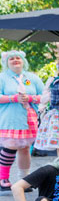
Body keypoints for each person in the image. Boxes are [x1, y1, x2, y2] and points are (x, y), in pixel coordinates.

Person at [0, 50, 45, 190]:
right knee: (9, 147)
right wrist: (13, 98)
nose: (15, 60)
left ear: (23, 61)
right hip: (10, 118)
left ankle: (24, 180)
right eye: (11, 58)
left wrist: (30, 98)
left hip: (29, 119)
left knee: (25, 149)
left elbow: (44, 96)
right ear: (6, 63)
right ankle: (3, 179)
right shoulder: (2, 77)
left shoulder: (30, 77)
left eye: (17, 58)